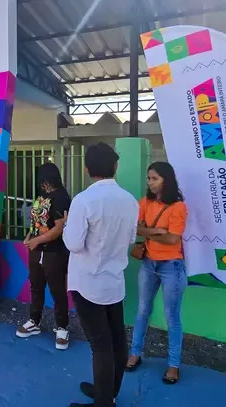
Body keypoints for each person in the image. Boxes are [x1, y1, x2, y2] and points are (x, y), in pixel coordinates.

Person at [62, 143, 138, 407]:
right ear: (115, 167)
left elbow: (73, 244)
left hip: (87, 284)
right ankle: (109, 394)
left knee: (100, 345)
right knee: (116, 340)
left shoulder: (83, 200)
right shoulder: (130, 200)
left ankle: (104, 402)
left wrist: (64, 227)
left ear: (86, 169)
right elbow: (130, 239)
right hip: (114, 282)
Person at [127, 162, 188, 385]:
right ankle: (135, 353)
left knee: (172, 317)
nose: (150, 182)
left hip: (172, 266)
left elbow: (173, 239)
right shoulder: (145, 202)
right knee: (142, 310)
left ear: (166, 180)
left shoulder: (178, 207)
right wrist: (155, 231)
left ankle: (173, 365)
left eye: (154, 178)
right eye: (149, 178)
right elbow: (134, 227)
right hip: (148, 263)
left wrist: (148, 232)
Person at [15, 162, 72, 350]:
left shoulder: (62, 198)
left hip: (54, 252)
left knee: (57, 291)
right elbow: (37, 222)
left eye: (43, 179)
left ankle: (62, 327)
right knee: (36, 286)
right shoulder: (42, 197)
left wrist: (37, 241)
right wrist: (30, 236)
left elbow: (58, 229)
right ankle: (34, 321)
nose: (42, 184)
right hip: (36, 249)